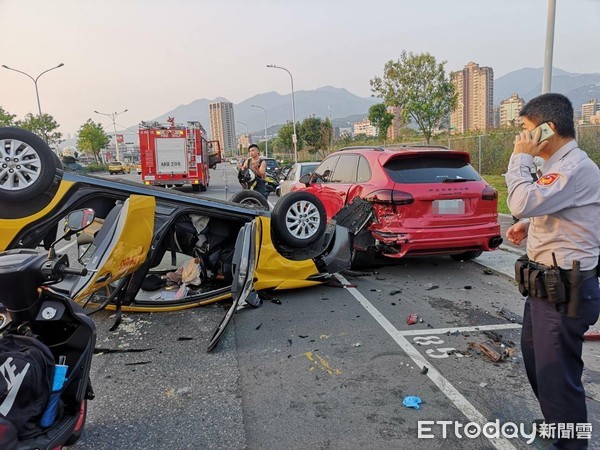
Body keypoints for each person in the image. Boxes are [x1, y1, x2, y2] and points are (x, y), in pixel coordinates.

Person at [505, 93, 600, 449]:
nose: (522, 137)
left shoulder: (574, 168)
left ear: (549, 128)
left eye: (527, 129)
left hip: (565, 292)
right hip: (546, 288)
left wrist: (519, 158)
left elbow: (519, 200)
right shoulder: (560, 168)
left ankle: (570, 442)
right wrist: (530, 227)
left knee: (557, 379)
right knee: (539, 365)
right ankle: (558, 427)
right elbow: (573, 214)